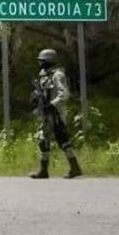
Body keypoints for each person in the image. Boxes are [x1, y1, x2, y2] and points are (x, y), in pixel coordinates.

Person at [29, 49, 83, 179]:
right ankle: (43, 171)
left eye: (42, 61)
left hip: (56, 113)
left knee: (62, 140)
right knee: (42, 139)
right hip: (46, 113)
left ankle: (75, 168)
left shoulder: (57, 75)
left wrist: (52, 104)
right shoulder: (44, 75)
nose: (40, 63)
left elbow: (64, 94)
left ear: (49, 61)